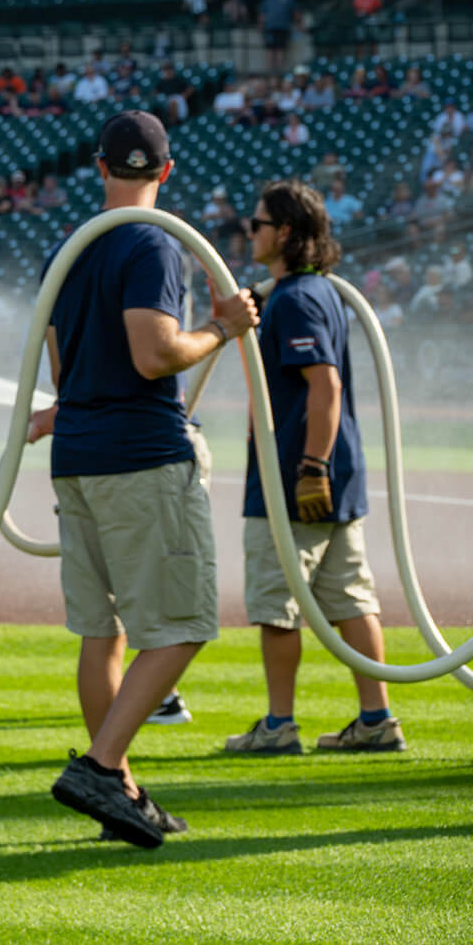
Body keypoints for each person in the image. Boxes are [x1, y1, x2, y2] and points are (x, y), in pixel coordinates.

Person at [24, 111, 258, 847]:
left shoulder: (70, 251)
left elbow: (61, 369)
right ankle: (100, 766)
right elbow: (154, 353)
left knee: (103, 629)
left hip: (80, 458)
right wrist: (223, 328)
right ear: (166, 171)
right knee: (184, 624)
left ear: (100, 166)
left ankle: (118, 790)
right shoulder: (156, 243)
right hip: (143, 455)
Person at [226, 182, 404, 755]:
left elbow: (324, 384)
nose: (248, 232)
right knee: (351, 597)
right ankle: (376, 718)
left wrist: (309, 467)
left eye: (256, 224)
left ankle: (279, 725)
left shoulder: (297, 298)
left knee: (278, 606)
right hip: (335, 473)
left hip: (294, 476)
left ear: (282, 231)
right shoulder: (314, 291)